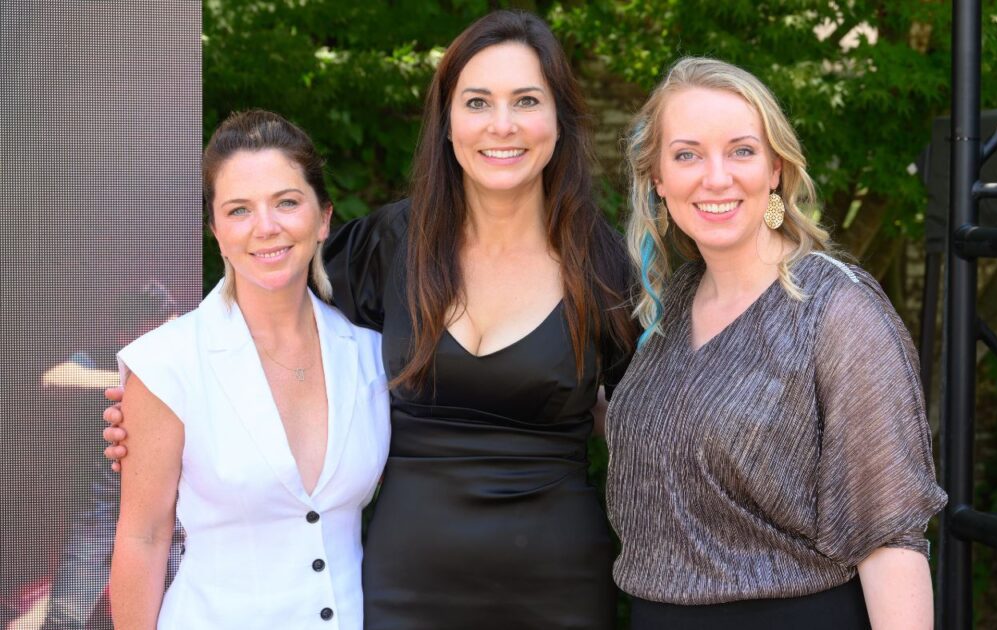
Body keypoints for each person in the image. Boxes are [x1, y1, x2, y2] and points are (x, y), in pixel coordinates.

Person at [105, 10, 635, 629]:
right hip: (404, 589)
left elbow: (642, 418)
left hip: (558, 584)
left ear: (559, 118)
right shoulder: (387, 245)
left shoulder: (604, 266)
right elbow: (268, 286)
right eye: (477, 101)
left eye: (526, 100)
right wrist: (163, 399)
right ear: (446, 121)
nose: (502, 125)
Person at [605, 56, 947, 629]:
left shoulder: (837, 308)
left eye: (741, 151)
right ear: (658, 180)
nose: (716, 177)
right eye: (687, 154)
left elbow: (889, 535)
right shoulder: (670, 305)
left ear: (775, 171)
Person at [109, 110, 390, 629]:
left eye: (286, 202)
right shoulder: (166, 364)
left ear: (323, 217)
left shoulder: (370, 356)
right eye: (239, 210)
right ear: (215, 230)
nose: (267, 227)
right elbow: (142, 540)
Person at [41, 282, 182, 630]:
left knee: (182, 612)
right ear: (126, 332)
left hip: (175, 511)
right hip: (106, 509)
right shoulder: (104, 357)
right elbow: (55, 377)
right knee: (65, 618)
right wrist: (134, 383)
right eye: (150, 332)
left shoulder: (186, 362)